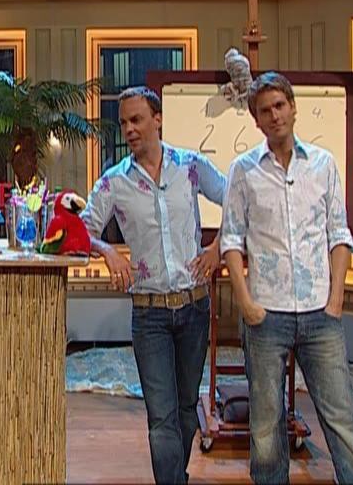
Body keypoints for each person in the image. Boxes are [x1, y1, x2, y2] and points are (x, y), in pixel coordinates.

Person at [220, 72, 353, 484]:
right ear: (256, 120)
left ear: (293, 107)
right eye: (265, 110)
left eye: (279, 106)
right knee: (266, 425)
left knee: (341, 418)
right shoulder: (243, 171)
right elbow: (231, 240)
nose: (274, 116)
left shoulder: (323, 165)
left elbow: (339, 234)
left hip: (320, 312)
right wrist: (245, 303)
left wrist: (336, 299)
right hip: (265, 314)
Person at [81, 85, 227, 484]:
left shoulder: (191, 167)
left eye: (137, 120)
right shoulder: (114, 182)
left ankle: (175, 476)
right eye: (124, 123)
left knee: (185, 410)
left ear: (157, 120)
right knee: (162, 417)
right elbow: (80, 231)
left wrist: (217, 248)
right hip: (150, 316)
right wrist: (106, 250)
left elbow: (237, 200)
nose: (129, 129)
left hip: (195, 307)